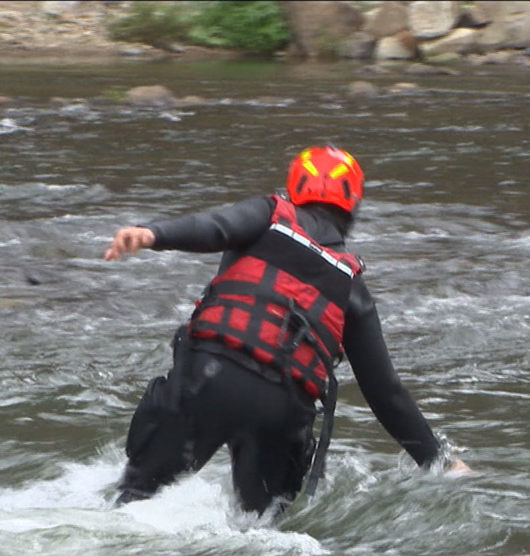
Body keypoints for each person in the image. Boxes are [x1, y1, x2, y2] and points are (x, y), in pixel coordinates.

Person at [103, 146, 466, 516]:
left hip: (208, 380)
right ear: (353, 204)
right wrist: (441, 460)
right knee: (256, 532)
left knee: (131, 505)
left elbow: (215, 226)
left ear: (294, 190)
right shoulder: (351, 289)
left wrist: (152, 234)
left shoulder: (267, 215)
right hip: (277, 414)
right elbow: (386, 394)